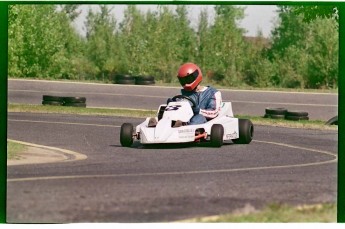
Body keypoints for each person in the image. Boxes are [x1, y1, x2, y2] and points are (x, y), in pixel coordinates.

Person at [149, 62, 222, 127]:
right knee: (165, 111)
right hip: (182, 118)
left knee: (199, 117)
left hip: (204, 120)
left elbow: (214, 113)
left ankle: (184, 126)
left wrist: (199, 111)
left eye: (188, 79)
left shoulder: (212, 93)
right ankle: (158, 123)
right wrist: (172, 104)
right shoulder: (183, 93)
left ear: (196, 75)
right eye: (183, 80)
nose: (186, 83)